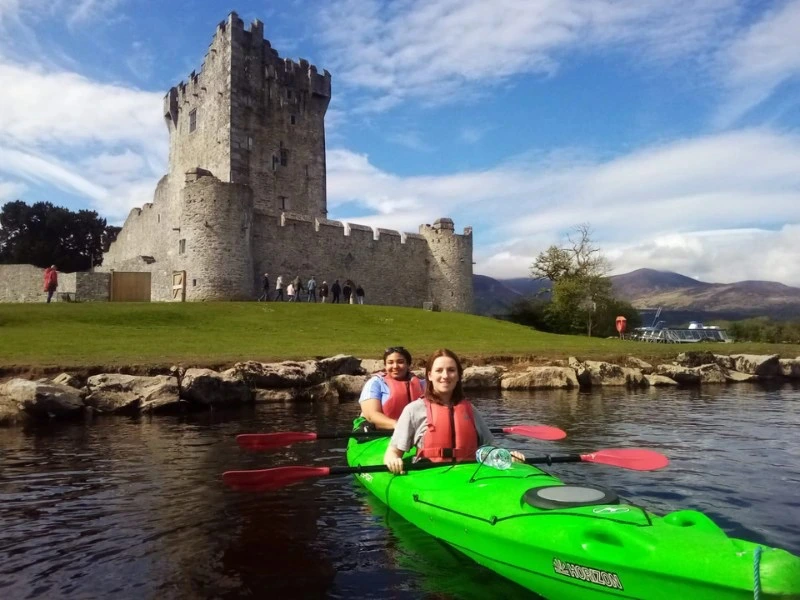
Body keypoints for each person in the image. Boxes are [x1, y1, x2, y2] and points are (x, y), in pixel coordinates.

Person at [384, 349, 524, 473]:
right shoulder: (413, 410)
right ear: (430, 375)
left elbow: (491, 448)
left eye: (451, 370)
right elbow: (393, 452)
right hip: (431, 474)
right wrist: (393, 460)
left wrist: (508, 456)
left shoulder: (470, 410)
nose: (445, 376)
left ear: (458, 376)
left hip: (469, 474)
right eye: (439, 370)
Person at [359, 346, 426, 430]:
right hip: (377, 432)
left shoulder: (422, 384)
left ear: (408, 364)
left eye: (400, 362)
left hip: (413, 430)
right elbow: (371, 415)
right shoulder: (375, 383)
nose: (395, 366)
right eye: (390, 362)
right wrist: (397, 425)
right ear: (385, 365)